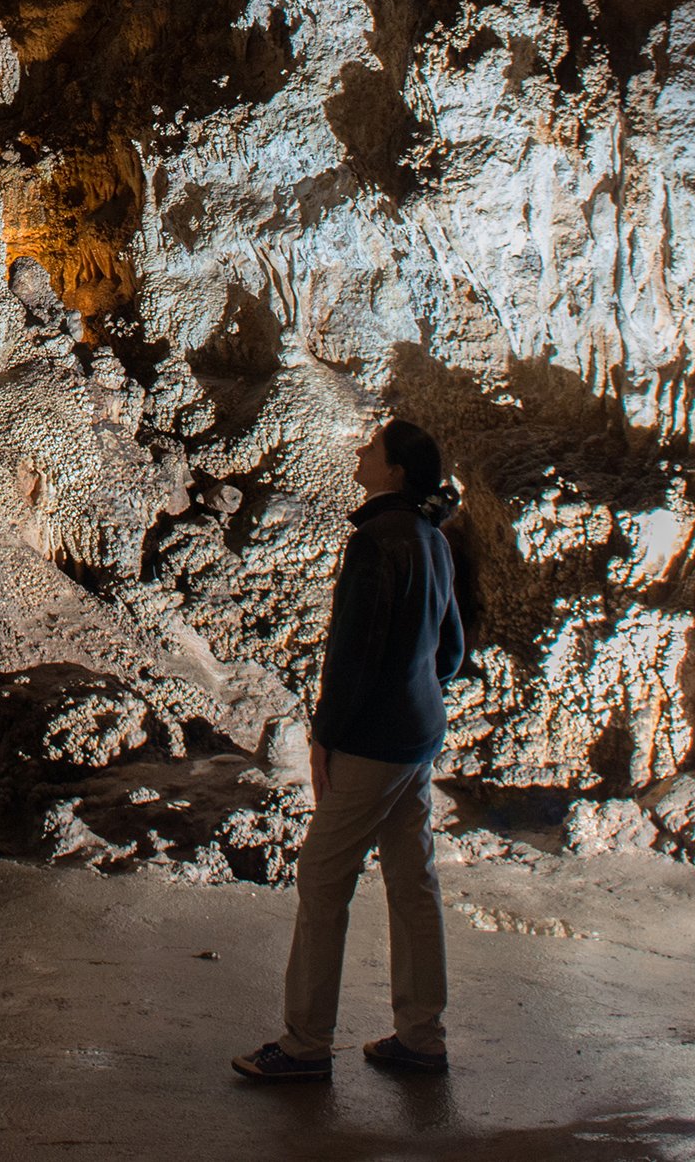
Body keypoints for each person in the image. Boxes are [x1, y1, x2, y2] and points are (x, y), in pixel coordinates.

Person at [232, 417, 471, 1085]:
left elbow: (352, 655)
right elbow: (450, 651)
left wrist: (326, 733)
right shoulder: (430, 538)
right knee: (411, 879)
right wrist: (415, 685)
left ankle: (306, 1043)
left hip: (373, 738)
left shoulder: (376, 542)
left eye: (371, 449)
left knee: (321, 877)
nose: (359, 454)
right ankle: (420, 1035)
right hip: (420, 732)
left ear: (393, 471)